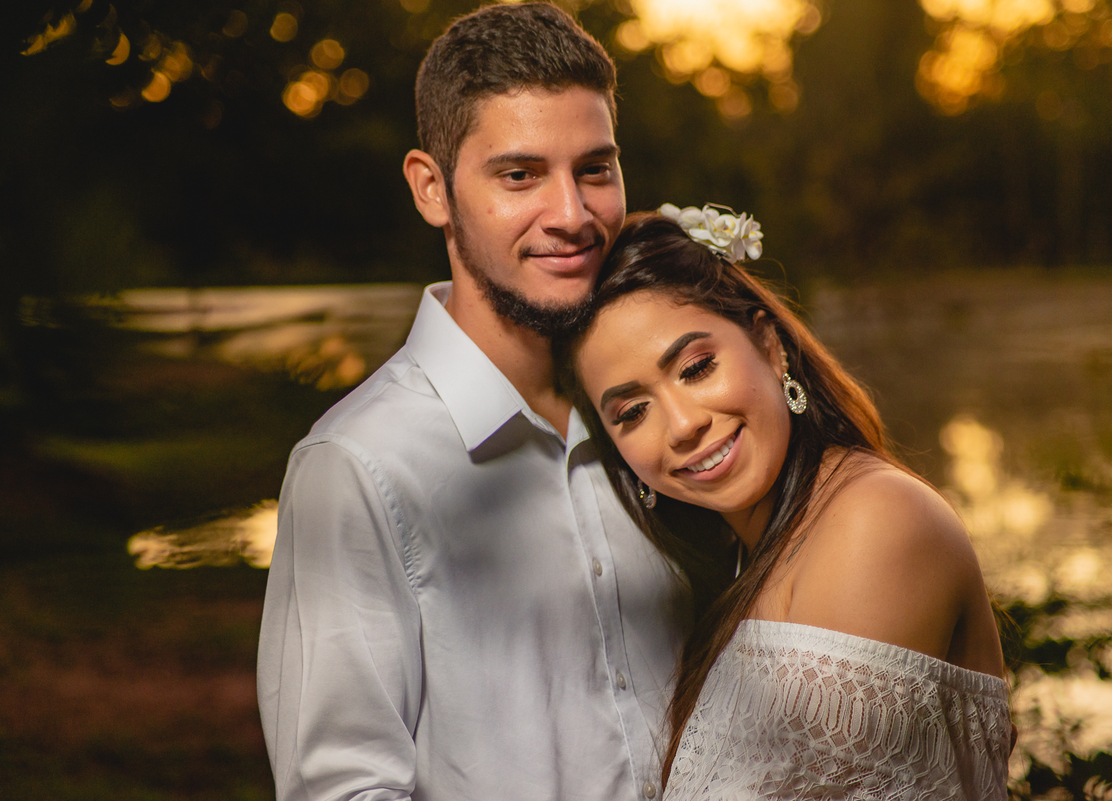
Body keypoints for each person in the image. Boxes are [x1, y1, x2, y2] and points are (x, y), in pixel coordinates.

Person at [256, 6, 690, 800]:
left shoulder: (666, 420)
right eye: (520, 175)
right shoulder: (356, 469)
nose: (572, 214)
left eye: (595, 169)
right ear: (433, 189)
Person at [560, 208, 1013, 799]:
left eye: (697, 368)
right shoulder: (740, 567)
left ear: (770, 347)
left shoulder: (874, 520)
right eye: (632, 412)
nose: (683, 424)